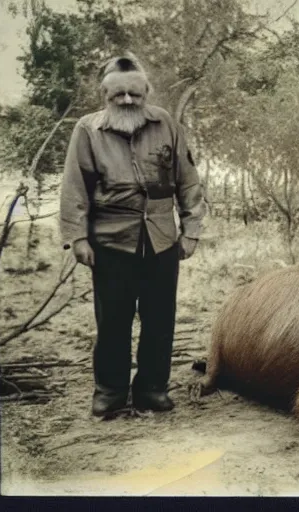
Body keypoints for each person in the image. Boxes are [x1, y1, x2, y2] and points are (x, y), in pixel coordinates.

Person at [59, 52, 207, 418]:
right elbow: (74, 188)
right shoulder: (87, 130)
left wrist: (191, 231)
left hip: (161, 239)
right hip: (110, 241)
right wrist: (77, 238)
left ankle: (152, 390)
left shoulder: (166, 124)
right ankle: (109, 392)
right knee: (113, 322)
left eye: (134, 95)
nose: (127, 101)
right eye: (118, 95)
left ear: (146, 93)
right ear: (105, 96)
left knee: (160, 318)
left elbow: (188, 182)